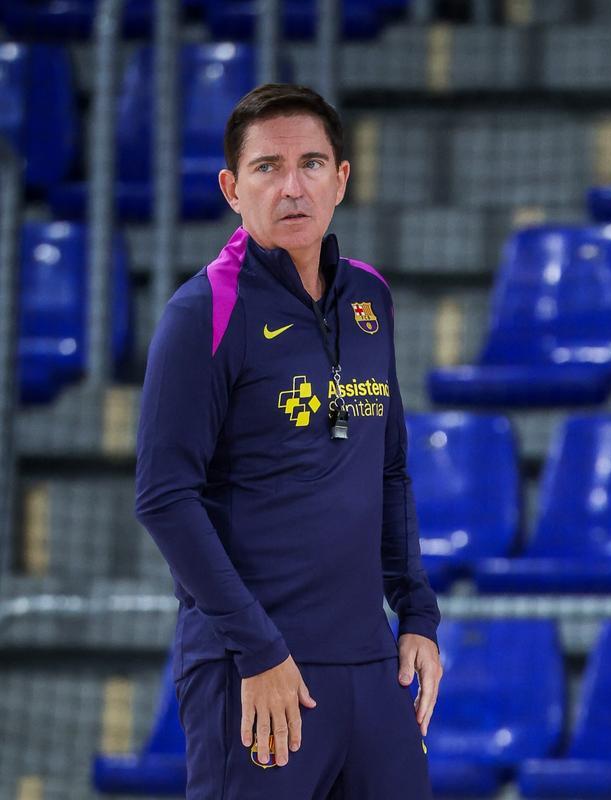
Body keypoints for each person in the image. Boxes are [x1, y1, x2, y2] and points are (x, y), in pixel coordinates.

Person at [135, 84, 441, 799]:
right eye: (267, 167)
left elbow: (389, 467)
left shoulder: (371, 298)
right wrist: (259, 649)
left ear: (341, 179)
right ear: (232, 188)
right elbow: (163, 498)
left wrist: (417, 613)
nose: (292, 185)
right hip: (259, 671)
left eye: (310, 163)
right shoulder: (204, 312)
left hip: (370, 665)